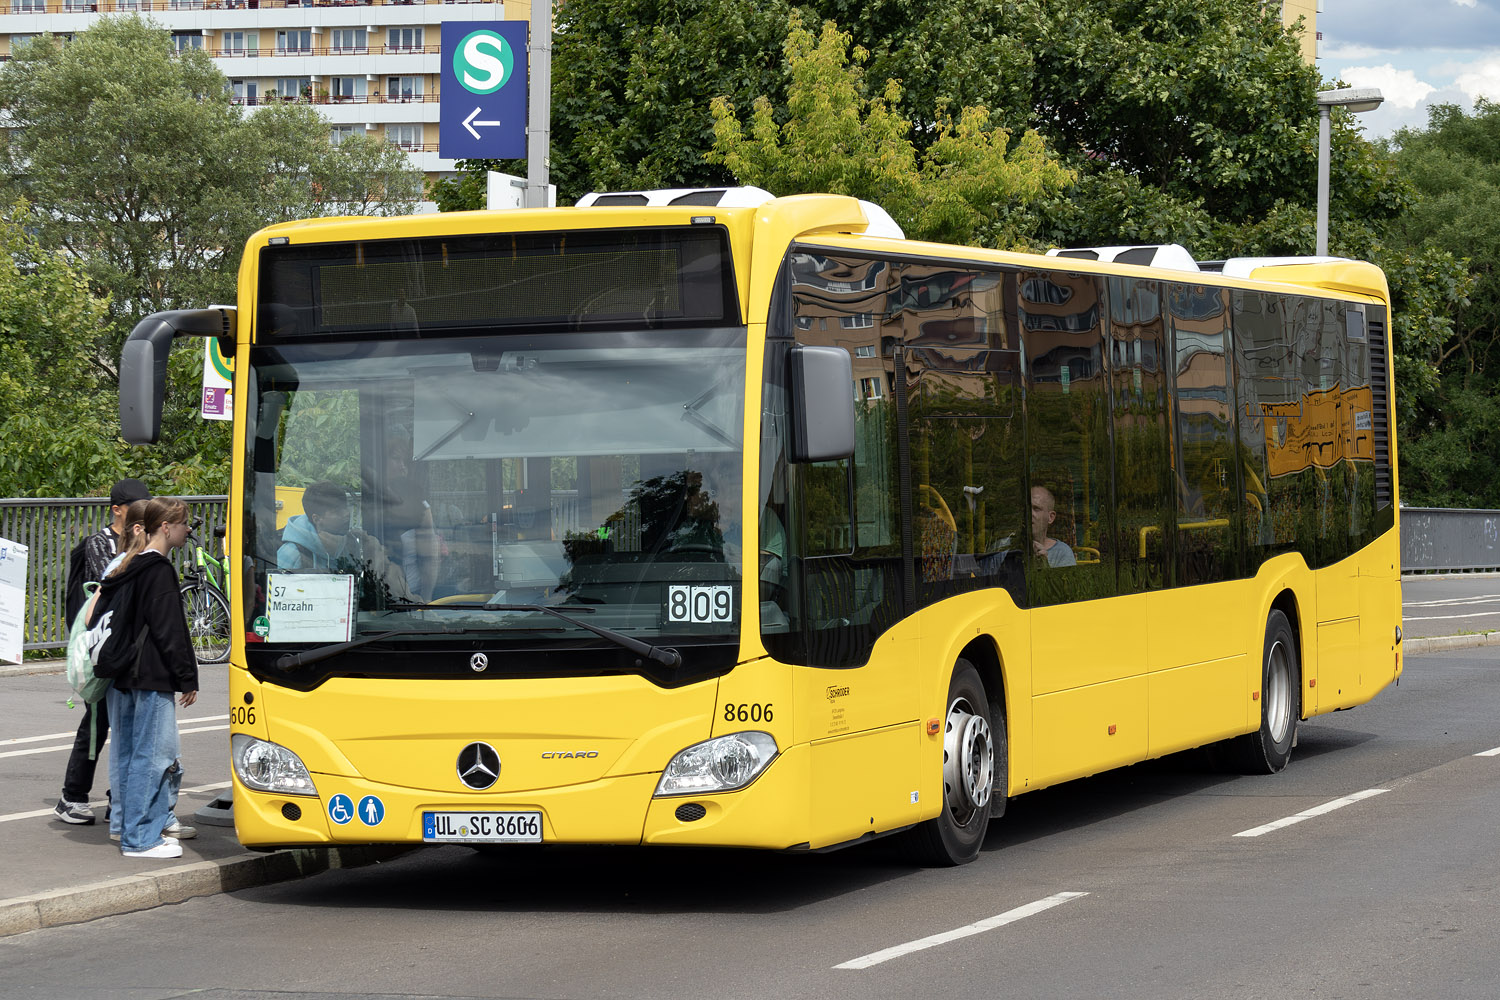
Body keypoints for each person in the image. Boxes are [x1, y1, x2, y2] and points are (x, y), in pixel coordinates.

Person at [99, 498, 199, 859]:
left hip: (121, 673)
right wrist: (187, 677)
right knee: (152, 757)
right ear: (167, 526)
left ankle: (126, 828)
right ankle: (141, 839)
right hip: (152, 673)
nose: (189, 530)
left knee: (127, 755)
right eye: (184, 523)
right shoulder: (158, 570)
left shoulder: (127, 565)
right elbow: (169, 629)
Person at [54, 477, 150, 826]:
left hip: (132, 650)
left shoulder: (145, 542)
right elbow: (108, 584)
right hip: (103, 648)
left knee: (129, 726)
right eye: (137, 506)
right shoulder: (100, 543)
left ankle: (118, 799)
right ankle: (72, 796)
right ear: (118, 510)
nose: (144, 512)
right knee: (97, 722)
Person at [277, 480, 416, 601]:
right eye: (337, 511)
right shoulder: (292, 553)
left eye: (346, 508)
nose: (346, 514)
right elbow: (283, 604)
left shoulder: (353, 544)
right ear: (317, 519)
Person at [1031, 485, 1076, 567]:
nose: (1029, 513)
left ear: (1050, 517)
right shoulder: (1006, 548)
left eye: (1036, 508)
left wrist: (1044, 565)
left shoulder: (1062, 552)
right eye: (1026, 508)